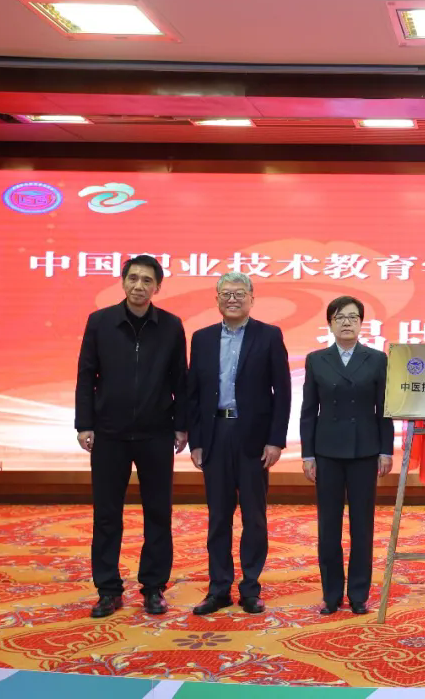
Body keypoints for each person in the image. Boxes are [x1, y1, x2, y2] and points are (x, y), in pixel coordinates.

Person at [75, 254, 188, 618]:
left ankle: (153, 587)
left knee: (158, 513)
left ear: (158, 287)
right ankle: (108, 589)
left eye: (147, 280)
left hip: (156, 433)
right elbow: (86, 375)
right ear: (123, 282)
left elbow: (180, 379)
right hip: (109, 433)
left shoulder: (171, 326)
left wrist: (181, 425)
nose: (139, 286)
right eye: (133, 278)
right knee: (107, 514)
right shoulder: (100, 322)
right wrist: (84, 424)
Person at [187, 272, 291, 615]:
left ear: (251, 298)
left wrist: (275, 440)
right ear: (217, 299)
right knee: (218, 517)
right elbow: (193, 393)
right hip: (215, 435)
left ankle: (250, 588)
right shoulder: (201, 338)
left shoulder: (269, 335)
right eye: (226, 294)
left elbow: (282, 392)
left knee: (254, 517)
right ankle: (218, 589)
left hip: (253, 439)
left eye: (239, 293)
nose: (232, 299)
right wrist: (196, 441)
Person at [300, 296, 394, 615]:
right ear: (329, 323)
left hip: (365, 451)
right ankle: (331, 594)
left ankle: (358, 594)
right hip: (326, 452)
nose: (346, 323)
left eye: (353, 317)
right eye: (339, 317)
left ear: (362, 323)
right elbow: (308, 411)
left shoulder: (377, 359)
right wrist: (308, 454)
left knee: (362, 525)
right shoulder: (317, 360)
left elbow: (384, 410)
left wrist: (385, 450)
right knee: (328, 526)